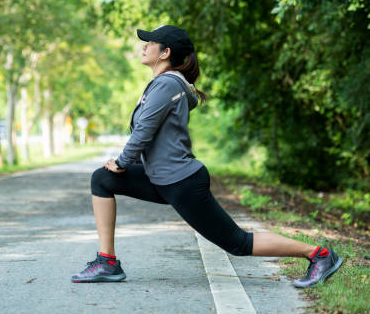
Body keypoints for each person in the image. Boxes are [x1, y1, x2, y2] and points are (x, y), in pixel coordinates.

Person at [70, 25, 343, 288]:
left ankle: (319, 254)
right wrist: (119, 167)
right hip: (163, 177)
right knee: (102, 180)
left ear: (165, 53)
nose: (144, 46)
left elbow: (144, 131)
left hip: (181, 181)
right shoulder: (164, 84)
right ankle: (107, 262)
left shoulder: (166, 84)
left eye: (150, 42)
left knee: (238, 243)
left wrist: (121, 162)